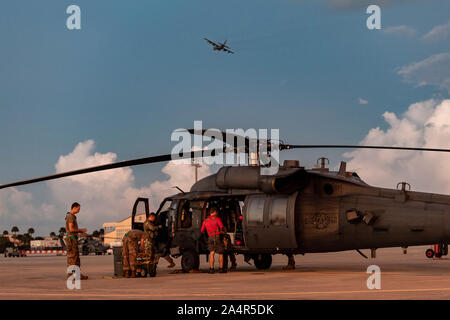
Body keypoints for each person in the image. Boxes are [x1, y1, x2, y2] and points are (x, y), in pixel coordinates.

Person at [65, 202, 88, 280]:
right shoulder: (70, 216)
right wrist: (81, 230)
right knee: (72, 258)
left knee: (76, 258)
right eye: (78, 209)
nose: (79, 210)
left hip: (73, 239)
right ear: (74, 208)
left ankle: (77, 274)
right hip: (71, 240)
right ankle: (71, 275)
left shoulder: (71, 216)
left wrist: (81, 233)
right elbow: (71, 229)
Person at [201, 207, 226, 273]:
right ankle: (221, 269)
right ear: (214, 212)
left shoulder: (205, 220)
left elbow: (202, 230)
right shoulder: (217, 219)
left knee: (212, 253)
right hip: (217, 237)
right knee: (221, 253)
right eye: (216, 212)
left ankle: (211, 269)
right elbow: (222, 227)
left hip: (210, 237)